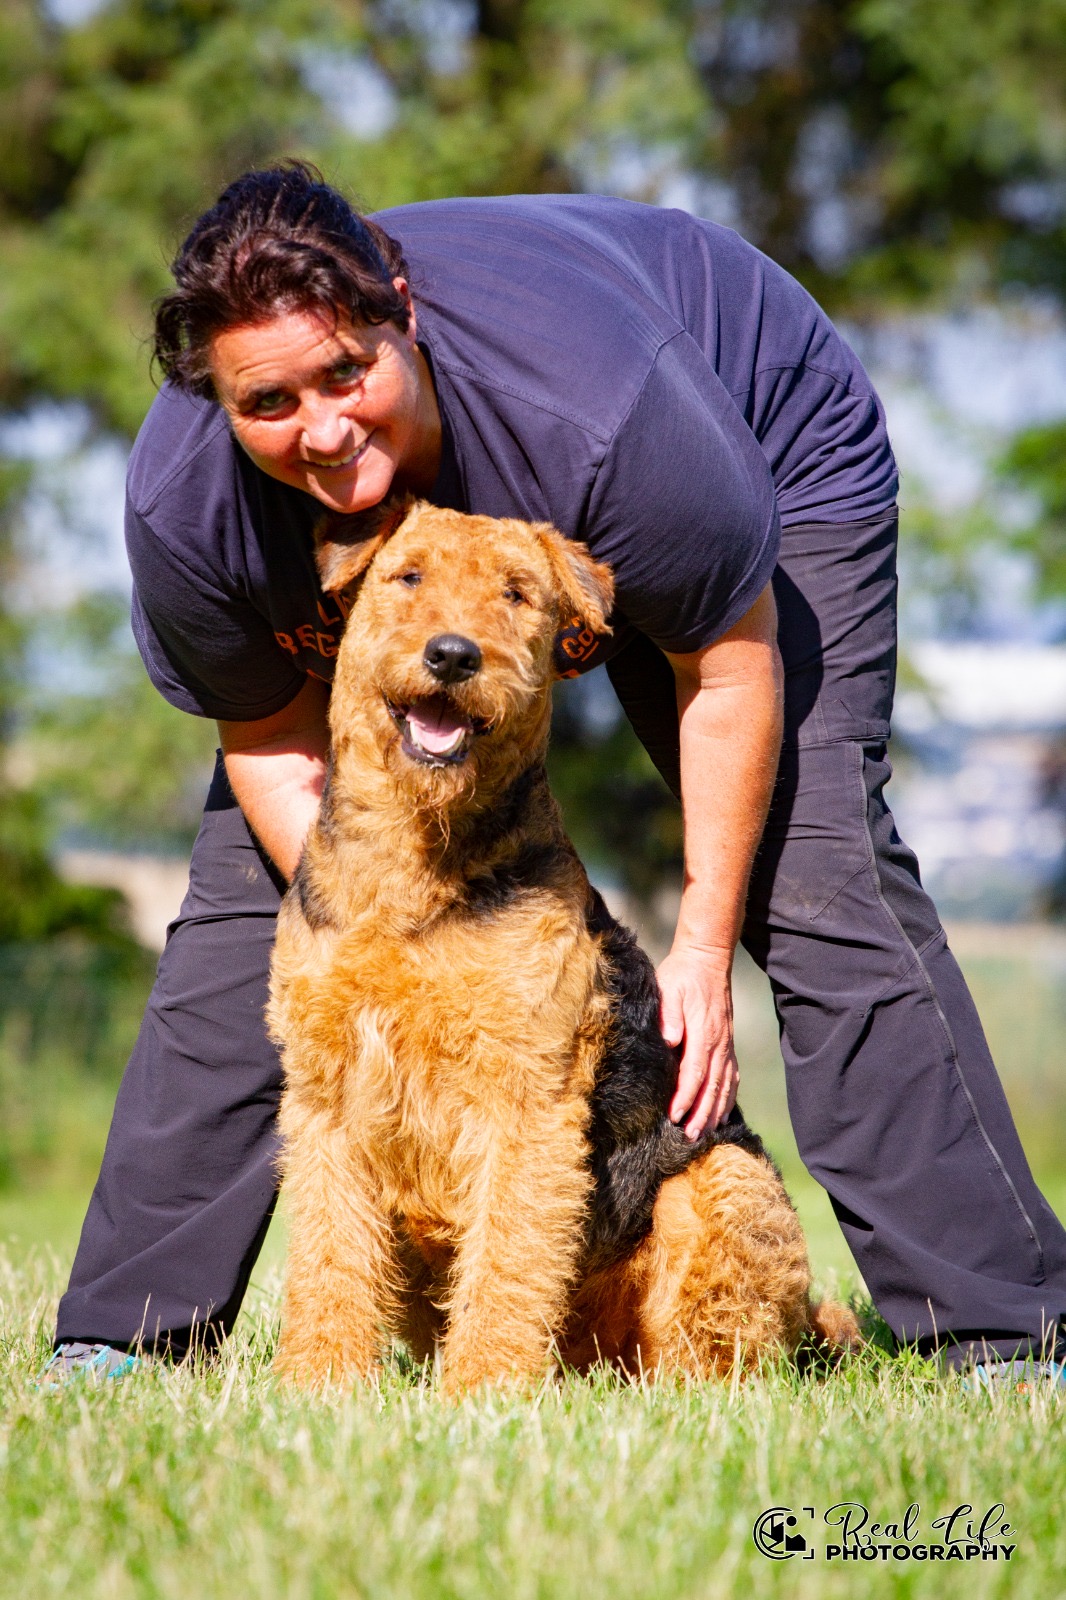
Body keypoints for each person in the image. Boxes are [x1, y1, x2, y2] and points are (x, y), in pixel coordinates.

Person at [49, 163, 1066, 1385]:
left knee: (814, 865)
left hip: (748, 433)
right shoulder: (189, 508)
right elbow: (271, 742)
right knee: (250, 927)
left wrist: (696, 943)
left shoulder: (602, 415)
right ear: (219, 398)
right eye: (270, 400)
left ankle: (1004, 1333)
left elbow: (731, 676)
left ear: (402, 315)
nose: (321, 427)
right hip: (505, 506)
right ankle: (120, 1339)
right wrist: (377, 923)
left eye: (345, 372)